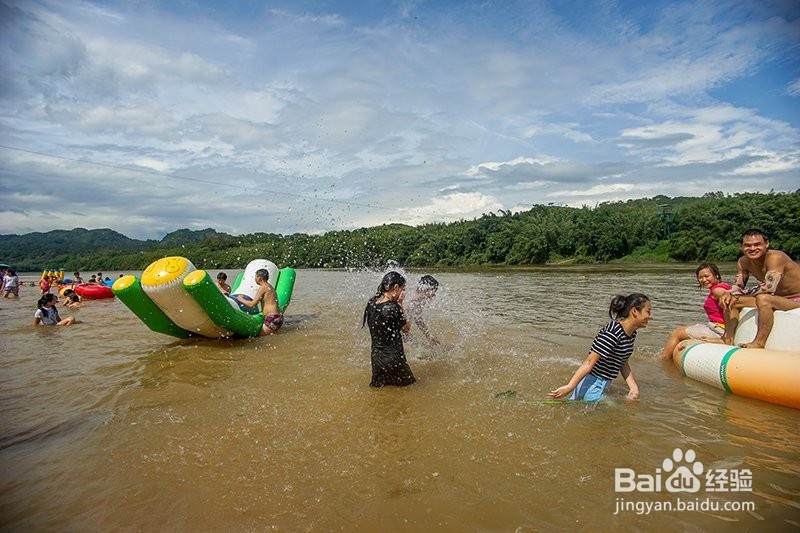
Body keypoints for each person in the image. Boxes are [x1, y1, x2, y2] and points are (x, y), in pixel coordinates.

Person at [549, 293, 651, 401]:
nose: (650, 316)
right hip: (591, 385)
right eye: (648, 312)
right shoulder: (613, 332)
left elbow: (622, 361)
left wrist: (633, 388)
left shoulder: (631, 334)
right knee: (617, 411)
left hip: (603, 383)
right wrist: (569, 386)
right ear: (634, 311)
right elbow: (589, 361)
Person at [718, 228, 800, 348]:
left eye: (757, 244)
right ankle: (728, 338)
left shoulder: (776, 257)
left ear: (766, 244)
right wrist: (729, 293)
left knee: (764, 299)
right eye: (747, 245)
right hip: (778, 298)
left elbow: (768, 287)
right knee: (730, 300)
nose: (752, 249)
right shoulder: (743, 262)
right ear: (741, 246)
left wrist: (737, 293)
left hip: (796, 299)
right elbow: (739, 285)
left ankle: (759, 342)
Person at [658, 263, 730, 360]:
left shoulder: (717, 290)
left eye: (706, 276)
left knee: (677, 333)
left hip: (720, 330)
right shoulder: (723, 286)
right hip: (718, 327)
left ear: (716, 275)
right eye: (700, 277)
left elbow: (727, 298)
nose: (703, 280)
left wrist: (725, 337)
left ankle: (663, 360)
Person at [362, 271, 416, 387]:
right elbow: (406, 329)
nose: (404, 292)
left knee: (380, 391)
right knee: (410, 389)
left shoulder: (371, 304)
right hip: (394, 359)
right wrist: (400, 303)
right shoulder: (393, 308)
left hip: (377, 360)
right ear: (396, 287)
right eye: (403, 289)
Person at [235, 269, 283, 334]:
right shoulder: (270, 287)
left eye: (255, 277)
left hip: (272, 317)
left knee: (260, 340)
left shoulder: (263, 288)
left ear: (259, 278)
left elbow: (252, 304)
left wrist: (241, 299)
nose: (255, 278)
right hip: (277, 317)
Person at [405, 275, 440, 345]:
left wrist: (428, 335)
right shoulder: (411, 301)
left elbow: (417, 318)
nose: (434, 295)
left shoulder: (420, 300)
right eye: (433, 291)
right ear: (425, 289)